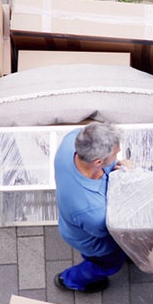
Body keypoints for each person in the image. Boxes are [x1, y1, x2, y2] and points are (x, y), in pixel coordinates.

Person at [53, 122, 129, 293]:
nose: (117, 157)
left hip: (71, 223)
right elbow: (110, 232)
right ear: (98, 161)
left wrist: (116, 168)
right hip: (94, 242)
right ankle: (71, 280)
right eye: (116, 154)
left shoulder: (71, 142)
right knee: (108, 264)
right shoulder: (93, 211)